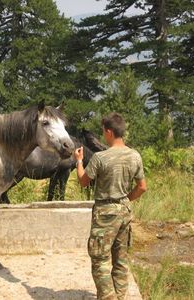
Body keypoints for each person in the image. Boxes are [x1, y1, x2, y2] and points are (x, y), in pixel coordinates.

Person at [74, 113, 147, 300]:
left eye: (103, 132)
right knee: (121, 260)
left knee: (100, 260)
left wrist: (79, 161)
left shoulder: (100, 158)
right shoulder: (135, 156)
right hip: (124, 211)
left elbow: (83, 181)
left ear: (109, 132)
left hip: (105, 213)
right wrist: (125, 200)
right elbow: (142, 187)